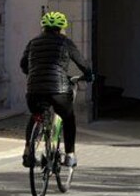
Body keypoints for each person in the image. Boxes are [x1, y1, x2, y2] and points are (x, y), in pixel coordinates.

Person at [20, 11, 93, 168]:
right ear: (61, 28)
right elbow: (82, 63)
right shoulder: (65, 42)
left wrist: (33, 74)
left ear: (44, 28)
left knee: (36, 116)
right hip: (58, 90)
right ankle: (70, 155)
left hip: (34, 90)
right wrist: (88, 75)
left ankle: (27, 152)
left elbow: (23, 65)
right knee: (68, 118)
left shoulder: (33, 42)